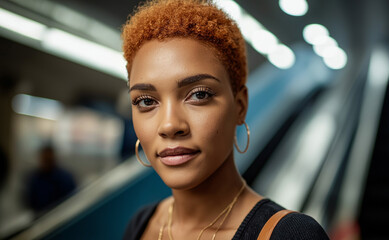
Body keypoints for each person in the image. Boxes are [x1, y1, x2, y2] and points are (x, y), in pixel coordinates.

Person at [121, 0, 329, 239]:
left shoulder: (292, 235)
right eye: (146, 101)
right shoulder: (141, 224)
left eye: (199, 95)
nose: (169, 125)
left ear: (240, 106)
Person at [26, 145, 76, 213]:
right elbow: (30, 200)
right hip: (40, 216)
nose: (46, 163)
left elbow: (71, 201)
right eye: (44, 159)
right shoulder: (35, 178)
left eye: (48, 160)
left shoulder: (65, 178)